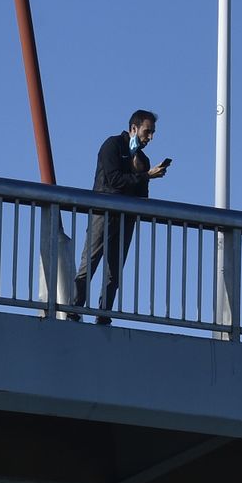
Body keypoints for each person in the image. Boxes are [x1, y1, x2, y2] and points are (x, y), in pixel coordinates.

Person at [70, 110, 168, 324]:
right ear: (134, 128)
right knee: (90, 262)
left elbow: (142, 196)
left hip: (126, 218)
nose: (150, 137)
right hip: (102, 212)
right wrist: (145, 175)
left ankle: (104, 315)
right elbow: (114, 181)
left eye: (152, 133)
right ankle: (73, 310)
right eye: (147, 131)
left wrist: (144, 176)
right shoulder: (112, 145)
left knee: (114, 271)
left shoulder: (143, 159)